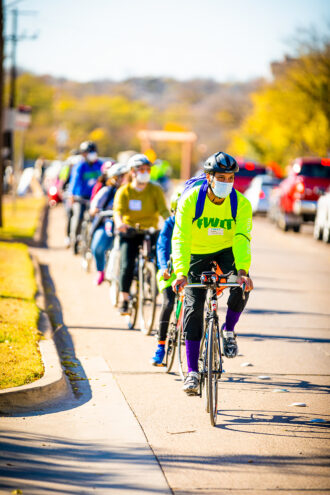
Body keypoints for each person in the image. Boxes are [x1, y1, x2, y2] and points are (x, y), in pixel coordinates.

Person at [172, 151, 254, 395]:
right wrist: (180, 272)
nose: (226, 183)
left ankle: (228, 330)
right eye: (221, 177)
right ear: (208, 177)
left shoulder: (241, 203)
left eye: (230, 178)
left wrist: (242, 271)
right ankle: (192, 372)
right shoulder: (190, 201)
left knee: (243, 286)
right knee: (193, 305)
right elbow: (181, 237)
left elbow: (241, 238)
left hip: (226, 250)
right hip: (196, 253)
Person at [113, 153, 170, 315]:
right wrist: (119, 223)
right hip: (130, 231)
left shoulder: (155, 189)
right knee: (127, 264)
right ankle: (124, 299)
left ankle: (153, 284)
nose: (145, 172)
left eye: (147, 169)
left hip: (150, 230)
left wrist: (170, 222)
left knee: (161, 259)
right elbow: (118, 211)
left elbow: (164, 210)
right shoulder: (125, 191)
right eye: (141, 169)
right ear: (132, 172)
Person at [150, 190, 182, 365]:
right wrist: (163, 267)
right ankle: (160, 346)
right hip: (169, 270)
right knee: (169, 303)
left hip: (189, 270)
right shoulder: (170, 224)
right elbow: (162, 247)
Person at [90, 163, 128, 285]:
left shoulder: (131, 192)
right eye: (122, 176)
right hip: (108, 224)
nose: (125, 179)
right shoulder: (107, 191)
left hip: (126, 226)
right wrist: (96, 210)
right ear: (115, 178)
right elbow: (94, 206)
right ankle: (100, 270)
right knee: (97, 247)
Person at [68, 141, 103, 253]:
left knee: (97, 218)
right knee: (78, 217)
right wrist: (72, 195)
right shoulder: (80, 166)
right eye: (88, 152)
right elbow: (74, 181)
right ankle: (75, 238)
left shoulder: (100, 165)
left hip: (95, 197)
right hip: (81, 197)